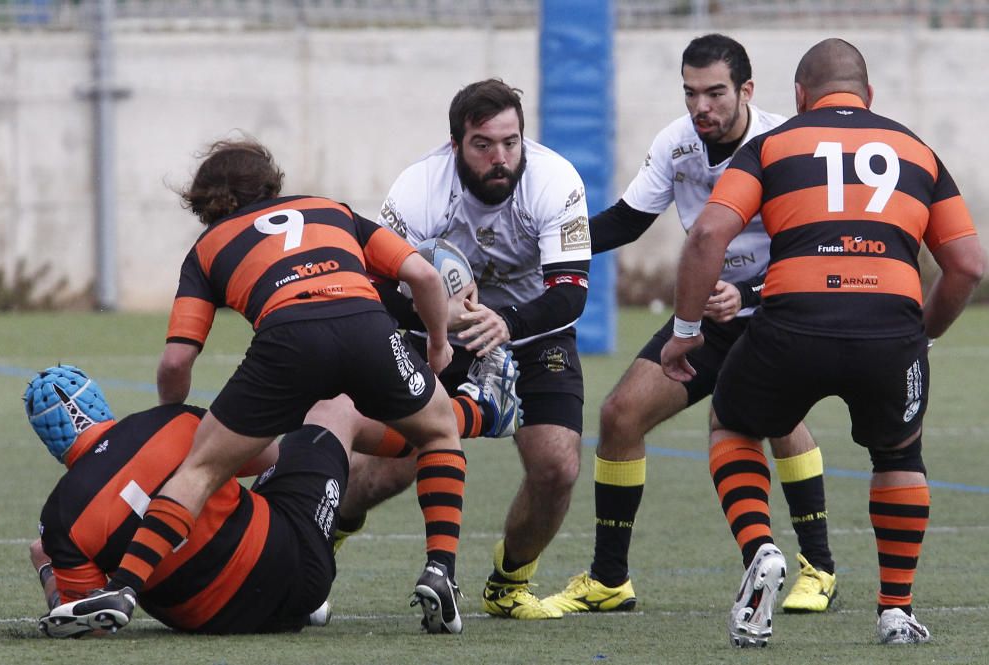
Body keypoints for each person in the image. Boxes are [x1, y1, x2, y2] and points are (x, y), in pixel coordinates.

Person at [40, 137, 470, 636]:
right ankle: (441, 571)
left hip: (287, 339)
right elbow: (423, 274)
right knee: (438, 433)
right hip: (365, 325)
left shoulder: (207, 248)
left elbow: (178, 358)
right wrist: (438, 345)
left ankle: (126, 588)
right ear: (271, 183)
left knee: (198, 471)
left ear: (204, 206)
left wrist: (169, 421)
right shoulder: (331, 210)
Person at [661, 38, 984, 647]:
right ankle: (894, 610)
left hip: (793, 322)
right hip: (890, 328)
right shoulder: (918, 150)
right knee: (898, 456)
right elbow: (967, 264)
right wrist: (923, 334)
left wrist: (684, 333)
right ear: (870, 96)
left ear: (800, 96)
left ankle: (761, 548)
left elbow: (707, 235)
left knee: (731, 425)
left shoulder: (772, 145)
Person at [544, 33, 836, 616]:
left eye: (716, 93)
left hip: (778, 310)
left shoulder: (784, 145)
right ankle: (609, 580)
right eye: (691, 93)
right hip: (704, 317)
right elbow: (626, 221)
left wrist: (750, 290)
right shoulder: (678, 144)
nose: (701, 106)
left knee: (775, 419)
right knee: (620, 415)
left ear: (747, 91)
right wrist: (549, 246)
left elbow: (815, 243)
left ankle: (818, 569)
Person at [339, 78, 592, 620]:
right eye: (483, 145)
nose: (500, 158)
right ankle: (331, 531)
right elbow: (377, 287)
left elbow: (571, 292)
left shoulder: (555, 179)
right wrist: (435, 314)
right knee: (391, 465)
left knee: (557, 466)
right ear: (456, 145)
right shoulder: (419, 188)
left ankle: (509, 582)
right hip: (439, 335)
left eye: (511, 142)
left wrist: (507, 322)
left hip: (531, 331)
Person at [27, 365, 358, 636]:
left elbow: (85, 622)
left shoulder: (59, 517)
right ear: (96, 399)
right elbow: (268, 456)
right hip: (297, 573)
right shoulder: (172, 420)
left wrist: (46, 565)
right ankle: (407, 447)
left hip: (216, 624)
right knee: (334, 407)